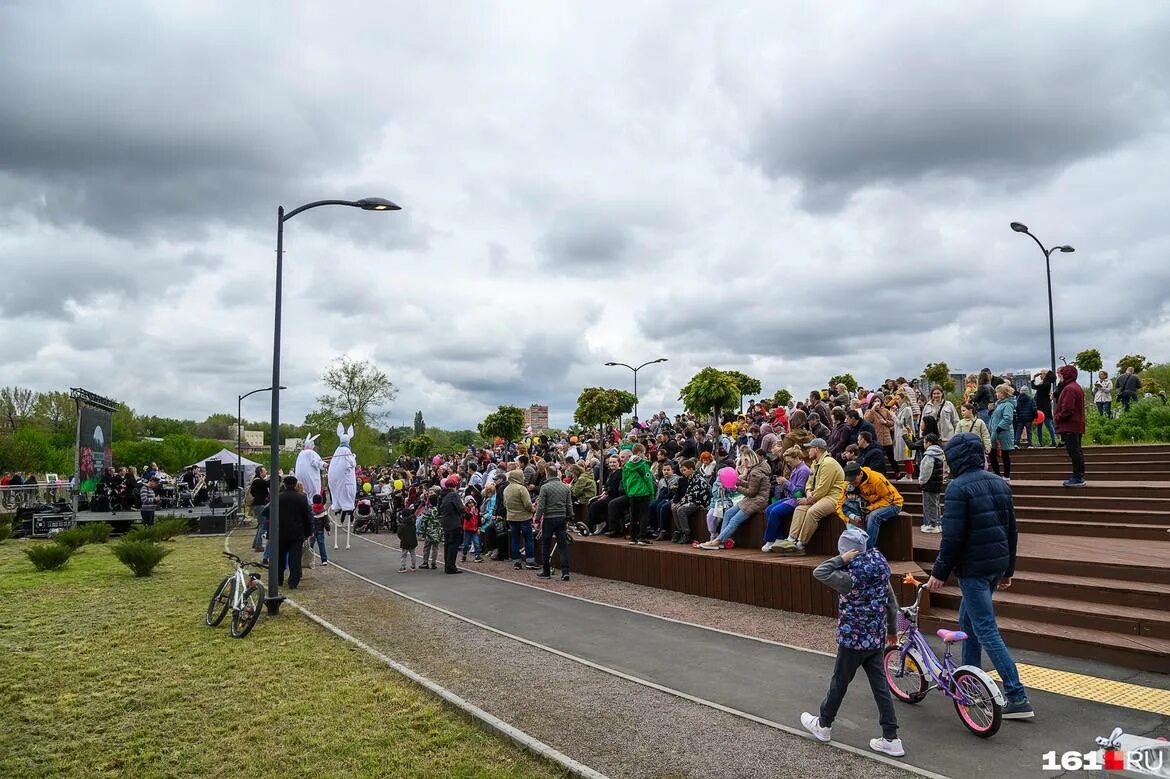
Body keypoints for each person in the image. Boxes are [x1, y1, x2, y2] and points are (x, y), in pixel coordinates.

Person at [927, 432, 1033, 720]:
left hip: (973, 568)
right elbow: (1012, 528)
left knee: (985, 629)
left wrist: (939, 572)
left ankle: (1017, 695)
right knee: (969, 623)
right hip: (995, 564)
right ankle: (969, 683)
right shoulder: (1000, 483)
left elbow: (952, 537)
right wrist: (1008, 570)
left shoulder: (958, 489)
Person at [802, 526, 903, 757]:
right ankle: (891, 737)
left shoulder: (848, 578)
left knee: (840, 682)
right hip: (875, 638)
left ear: (848, 552)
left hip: (852, 640)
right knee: (881, 687)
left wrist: (841, 559)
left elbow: (820, 572)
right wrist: (892, 631)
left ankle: (824, 725)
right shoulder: (880, 570)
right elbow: (892, 604)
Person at [775, 438, 845, 556]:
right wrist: (808, 492)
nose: (808, 451)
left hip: (833, 497)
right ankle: (791, 540)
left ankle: (800, 545)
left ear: (817, 449)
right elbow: (809, 483)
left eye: (809, 448)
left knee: (813, 511)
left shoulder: (828, 463)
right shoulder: (815, 463)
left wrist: (808, 499)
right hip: (817, 496)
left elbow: (823, 489)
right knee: (799, 508)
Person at [698, 448, 771, 550]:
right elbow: (752, 486)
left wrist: (736, 488)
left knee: (734, 520)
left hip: (757, 500)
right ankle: (720, 541)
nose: (742, 464)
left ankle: (718, 541)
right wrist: (738, 481)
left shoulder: (755, 473)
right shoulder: (756, 470)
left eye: (743, 461)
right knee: (728, 513)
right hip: (752, 499)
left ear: (748, 460)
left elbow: (751, 492)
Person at [838, 461, 904, 551]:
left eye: (853, 480)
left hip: (893, 504)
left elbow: (889, 499)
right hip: (869, 506)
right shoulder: (848, 484)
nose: (851, 482)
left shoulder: (876, 479)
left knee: (873, 516)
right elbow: (840, 505)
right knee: (857, 515)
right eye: (849, 480)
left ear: (860, 474)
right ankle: (855, 549)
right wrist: (849, 519)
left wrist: (870, 508)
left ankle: (868, 550)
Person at [762, 446, 811, 551]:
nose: (788, 464)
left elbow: (799, 493)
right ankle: (779, 537)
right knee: (768, 510)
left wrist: (786, 482)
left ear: (796, 457)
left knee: (775, 512)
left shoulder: (803, 471)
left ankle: (770, 539)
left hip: (797, 501)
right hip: (789, 498)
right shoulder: (796, 468)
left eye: (789, 461)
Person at [535, 462, 573, 581]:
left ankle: (546, 571)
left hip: (549, 518)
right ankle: (565, 571)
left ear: (547, 474)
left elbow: (541, 505)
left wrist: (537, 518)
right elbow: (569, 504)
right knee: (562, 545)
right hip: (562, 517)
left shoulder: (545, 487)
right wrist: (570, 516)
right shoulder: (565, 487)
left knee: (546, 544)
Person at [276, 475, 313, 589]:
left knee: (280, 557)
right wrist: (308, 532)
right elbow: (307, 516)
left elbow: (268, 513)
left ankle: (279, 578)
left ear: (284, 484)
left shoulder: (278, 497)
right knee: (295, 558)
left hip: (281, 532)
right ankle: (293, 581)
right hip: (297, 532)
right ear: (295, 484)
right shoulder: (301, 498)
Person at [1054, 364, 1087, 487]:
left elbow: (1067, 409)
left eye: (1061, 374)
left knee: (1074, 451)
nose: (1059, 377)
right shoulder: (1074, 387)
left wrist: (1057, 417)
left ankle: (1078, 477)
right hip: (1075, 424)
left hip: (1070, 425)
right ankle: (1079, 476)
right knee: (1077, 451)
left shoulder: (1069, 389)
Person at [503, 468, 538, 569]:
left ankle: (516, 562)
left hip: (512, 518)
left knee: (515, 539)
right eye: (522, 476)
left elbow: (505, 504)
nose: (523, 478)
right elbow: (527, 504)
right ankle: (530, 561)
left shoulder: (506, 489)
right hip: (524, 518)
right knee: (528, 539)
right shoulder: (521, 488)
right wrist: (533, 510)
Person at [622, 444, 655, 545]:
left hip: (632, 493)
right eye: (643, 453)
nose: (644, 455)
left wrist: (628, 491)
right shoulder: (643, 464)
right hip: (643, 492)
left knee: (633, 516)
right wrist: (651, 492)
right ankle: (642, 537)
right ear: (640, 452)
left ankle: (633, 538)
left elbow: (624, 480)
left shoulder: (626, 465)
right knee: (644, 515)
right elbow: (648, 478)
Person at [671, 458, 708, 545]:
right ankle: (681, 531)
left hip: (698, 502)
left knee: (681, 509)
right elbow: (687, 494)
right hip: (691, 499)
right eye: (682, 470)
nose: (682, 472)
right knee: (674, 508)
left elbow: (693, 495)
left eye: (684, 470)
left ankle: (687, 534)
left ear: (691, 469)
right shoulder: (689, 478)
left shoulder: (698, 479)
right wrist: (678, 502)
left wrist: (681, 503)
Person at [437, 475, 468, 574]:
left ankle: (447, 565)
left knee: (447, 544)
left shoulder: (442, 495)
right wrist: (467, 514)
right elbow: (460, 508)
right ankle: (451, 567)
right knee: (453, 545)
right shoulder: (454, 495)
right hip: (454, 522)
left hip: (445, 522)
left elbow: (439, 509)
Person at [988, 385, 1017, 482]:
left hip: (1002, 433)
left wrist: (998, 428)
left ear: (1004, 394)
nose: (996, 394)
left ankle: (1006, 476)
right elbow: (995, 417)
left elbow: (1008, 418)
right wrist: (991, 411)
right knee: (992, 454)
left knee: (1004, 454)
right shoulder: (999, 404)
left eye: (998, 392)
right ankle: (997, 474)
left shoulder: (1007, 404)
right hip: (995, 433)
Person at [917, 433, 944, 533]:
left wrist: (921, 481)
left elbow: (926, 471)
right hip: (937, 483)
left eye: (924, 442)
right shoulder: (939, 453)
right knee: (936, 503)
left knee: (929, 504)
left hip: (929, 484)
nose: (923, 444)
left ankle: (932, 524)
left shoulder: (929, 455)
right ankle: (937, 523)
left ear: (929, 443)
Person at [1031, 370, 1058, 446]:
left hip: (1044, 408)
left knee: (1048, 425)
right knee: (1041, 426)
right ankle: (1042, 442)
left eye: (1041, 374)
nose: (1040, 375)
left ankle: (1052, 441)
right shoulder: (1045, 383)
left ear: (1045, 375)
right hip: (1041, 408)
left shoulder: (1046, 384)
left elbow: (1034, 386)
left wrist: (1033, 378)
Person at [250, 467, 270, 552]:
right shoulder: (258, 481)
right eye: (265, 470)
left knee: (261, 524)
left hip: (258, 504)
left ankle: (256, 543)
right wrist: (278, 476)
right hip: (260, 504)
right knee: (263, 524)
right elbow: (268, 483)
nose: (266, 472)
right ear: (260, 472)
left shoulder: (256, 480)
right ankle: (258, 545)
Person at [397, 500, 418, 572]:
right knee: (413, 554)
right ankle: (413, 566)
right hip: (413, 541)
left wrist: (402, 538)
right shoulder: (413, 523)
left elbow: (399, 534)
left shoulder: (402, 525)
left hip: (404, 541)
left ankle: (403, 567)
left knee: (404, 555)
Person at [310, 494, 329, 566]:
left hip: (312, 530)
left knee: (310, 546)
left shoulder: (311, 509)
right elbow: (326, 522)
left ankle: (310, 559)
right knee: (321, 545)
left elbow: (309, 520)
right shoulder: (323, 510)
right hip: (320, 530)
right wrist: (328, 529)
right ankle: (324, 560)